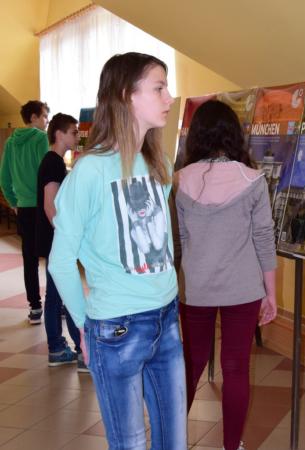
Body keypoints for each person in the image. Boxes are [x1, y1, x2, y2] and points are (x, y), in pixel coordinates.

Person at [48, 52, 186, 450]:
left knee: (174, 442)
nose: (169, 97)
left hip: (166, 317)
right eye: (159, 88)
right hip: (117, 327)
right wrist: (84, 327)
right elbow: (60, 261)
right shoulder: (90, 171)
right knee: (130, 444)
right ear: (127, 95)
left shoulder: (159, 162)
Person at [174, 100, 277, 450]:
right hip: (243, 290)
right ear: (234, 134)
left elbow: (179, 241)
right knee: (235, 368)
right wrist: (270, 293)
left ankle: (171, 439)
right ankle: (231, 445)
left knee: (191, 364)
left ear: (197, 136)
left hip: (194, 288)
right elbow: (264, 239)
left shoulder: (179, 181)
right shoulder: (253, 179)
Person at [36, 113, 87, 371]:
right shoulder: (53, 163)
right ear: (59, 134)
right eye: (73, 132)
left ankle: (62, 347)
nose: (77, 136)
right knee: (59, 296)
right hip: (55, 240)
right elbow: (50, 206)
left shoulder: (54, 162)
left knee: (58, 296)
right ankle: (77, 349)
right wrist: (66, 238)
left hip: (55, 240)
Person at [0, 100, 50, 324]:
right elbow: (45, 173)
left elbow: (4, 178)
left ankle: (35, 307)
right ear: (33, 117)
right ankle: (55, 303)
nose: (46, 121)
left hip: (24, 208)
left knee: (30, 259)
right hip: (43, 206)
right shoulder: (41, 138)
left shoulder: (11, 142)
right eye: (44, 116)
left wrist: (14, 202)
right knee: (52, 256)